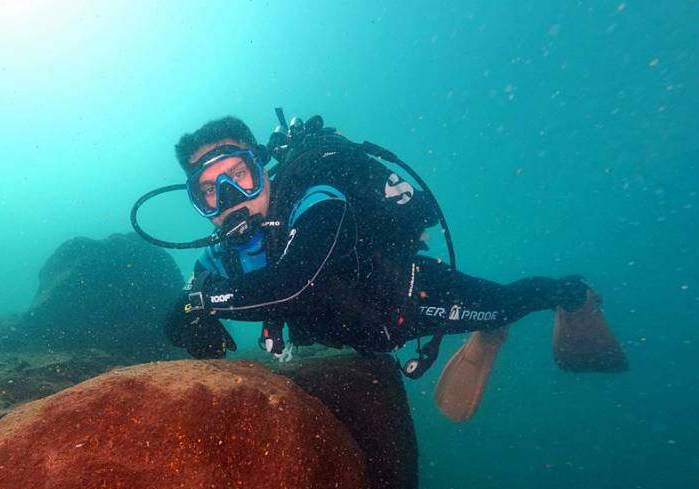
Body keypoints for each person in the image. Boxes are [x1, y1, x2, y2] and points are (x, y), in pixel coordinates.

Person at [160, 116, 626, 419]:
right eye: (208, 191)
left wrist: (205, 304)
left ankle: (573, 293)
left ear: (262, 167)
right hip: (359, 332)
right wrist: (188, 319)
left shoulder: (318, 198)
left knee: (507, 303)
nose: (228, 199)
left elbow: (295, 284)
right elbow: (186, 299)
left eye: (237, 176)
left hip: (414, 300)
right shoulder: (225, 253)